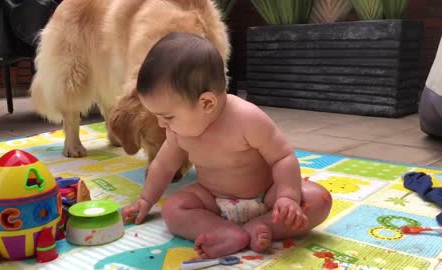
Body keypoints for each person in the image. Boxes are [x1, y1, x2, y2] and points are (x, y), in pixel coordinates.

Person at [121, 32, 332, 259]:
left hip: (266, 196)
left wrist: (287, 198)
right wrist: (146, 199)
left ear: (207, 103)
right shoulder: (177, 131)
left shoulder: (247, 118)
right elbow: (163, 166)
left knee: (318, 199)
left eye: (168, 116)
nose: (161, 124)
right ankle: (225, 232)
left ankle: (264, 224)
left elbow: (282, 157)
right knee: (173, 210)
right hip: (212, 199)